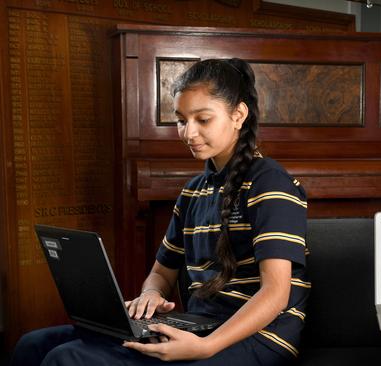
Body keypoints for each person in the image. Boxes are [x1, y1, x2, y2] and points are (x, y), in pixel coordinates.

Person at [10, 58, 308, 366]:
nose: (188, 133)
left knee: (68, 358)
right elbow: (161, 273)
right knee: (33, 345)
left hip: (259, 338)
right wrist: (150, 294)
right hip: (200, 325)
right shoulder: (193, 191)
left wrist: (206, 347)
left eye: (202, 120)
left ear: (238, 115)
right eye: (181, 120)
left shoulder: (270, 182)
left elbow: (275, 294)